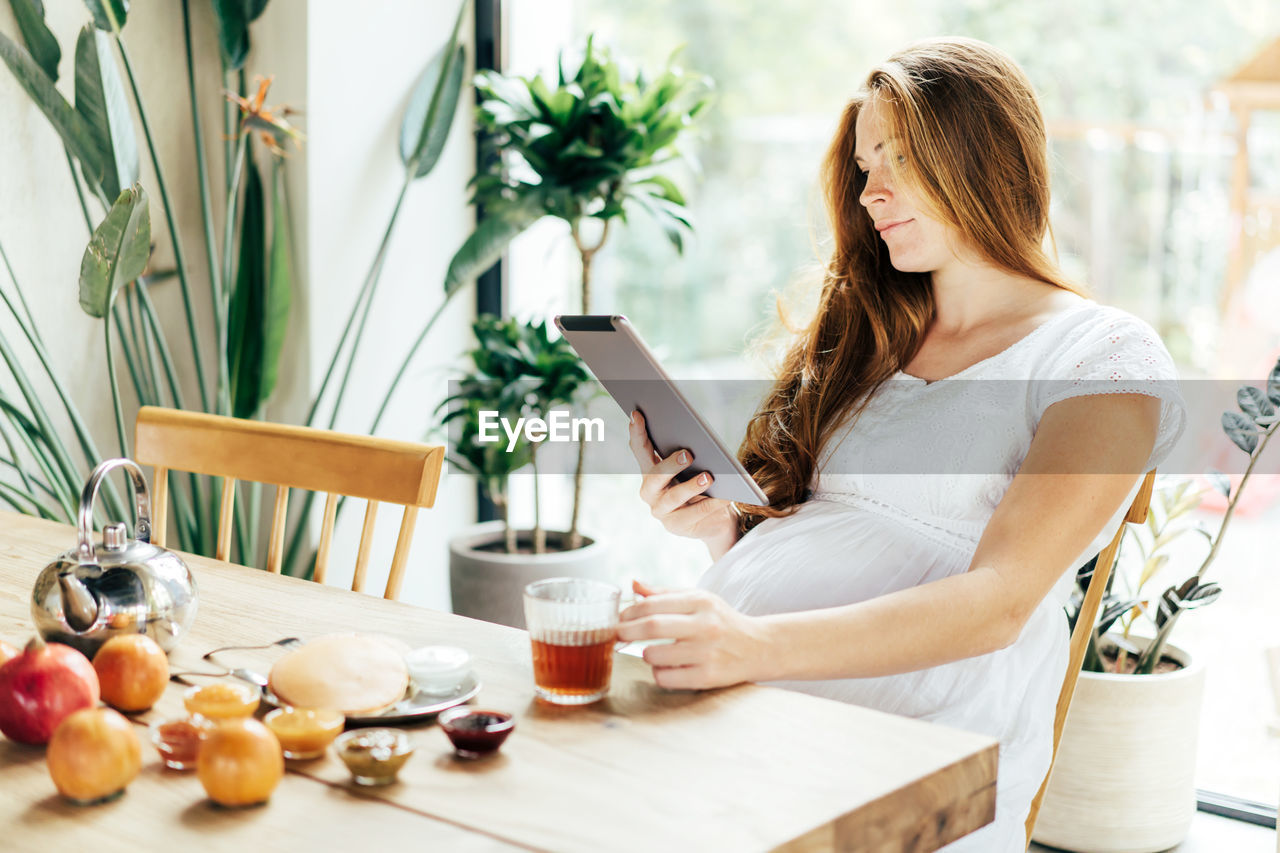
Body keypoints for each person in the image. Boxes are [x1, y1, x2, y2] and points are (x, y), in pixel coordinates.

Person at [616, 37, 1186, 852]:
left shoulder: (1104, 358)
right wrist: (720, 531)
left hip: (914, 743)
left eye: (899, 158)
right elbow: (841, 534)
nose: (871, 191)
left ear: (985, 157)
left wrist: (751, 641)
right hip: (758, 694)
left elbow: (1001, 601)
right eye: (863, 164)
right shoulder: (875, 331)